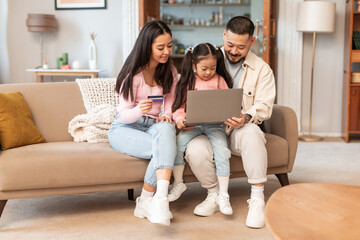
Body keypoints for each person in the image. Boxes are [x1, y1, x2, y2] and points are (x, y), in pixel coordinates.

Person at [183, 16, 276, 228]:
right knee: (194, 150)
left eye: (241, 47)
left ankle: (257, 199)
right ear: (223, 35)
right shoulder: (206, 58)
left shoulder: (262, 70)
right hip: (206, 130)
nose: (234, 51)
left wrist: (246, 117)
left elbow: (265, 106)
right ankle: (214, 195)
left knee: (252, 133)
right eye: (230, 44)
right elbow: (184, 92)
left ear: (252, 42)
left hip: (238, 130)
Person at [108, 20, 178, 226]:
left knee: (167, 130)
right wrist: (139, 109)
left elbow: (171, 101)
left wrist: (169, 115)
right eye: (160, 47)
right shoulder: (133, 74)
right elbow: (123, 116)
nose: (166, 51)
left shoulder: (170, 71)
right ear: (147, 46)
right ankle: (151, 201)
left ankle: (157, 199)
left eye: (169, 46)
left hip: (152, 125)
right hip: (125, 128)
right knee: (164, 147)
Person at [169, 43, 234, 215]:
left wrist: (230, 114)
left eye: (213, 68)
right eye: (204, 68)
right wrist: (180, 119)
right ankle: (178, 183)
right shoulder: (188, 81)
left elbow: (229, 102)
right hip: (193, 124)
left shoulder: (220, 80)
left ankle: (224, 194)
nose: (208, 72)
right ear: (193, 64)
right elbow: (178, 107)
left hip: (215, 125)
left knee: (222, 151)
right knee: (177, 145)